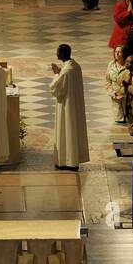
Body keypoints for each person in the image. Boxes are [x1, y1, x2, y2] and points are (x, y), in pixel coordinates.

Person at [50, 43, 89, 171]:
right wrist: (60, 72)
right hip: (75, 105)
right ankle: (72, 160)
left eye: (57, 52)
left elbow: (56, 89)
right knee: (72, 131)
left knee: (66, 130)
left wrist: (56, 74)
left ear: (62, 54)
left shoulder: (66, 71)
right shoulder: (76, 66)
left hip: (66, 106)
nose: (56, 54)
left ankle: (66, 161)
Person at [105, 43, 129, 124]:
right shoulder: (111, 65)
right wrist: (114, 94)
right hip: (116, 100)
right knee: (118, 120)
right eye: (115, 52)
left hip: (127, 99)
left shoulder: (129, 65)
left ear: (124, 53)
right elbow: (107, 82)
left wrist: (125, 94)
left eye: (119, 52)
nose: (117, 54)